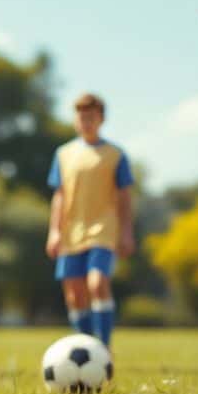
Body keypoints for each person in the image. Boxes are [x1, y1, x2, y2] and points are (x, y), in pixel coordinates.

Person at [45, 94, 135, 347]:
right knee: (74, 294)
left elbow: (125, 198)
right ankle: (85, 346)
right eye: (82, 117)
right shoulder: (63, 154)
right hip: (71, 232)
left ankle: (104, 347)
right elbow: (59, 196)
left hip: (103, 230)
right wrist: (54, 231)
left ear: (101, 119)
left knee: (97, 283)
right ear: (75, 120)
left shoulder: (115, 155)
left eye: (91, 117)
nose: (86, 122)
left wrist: (126, 232)